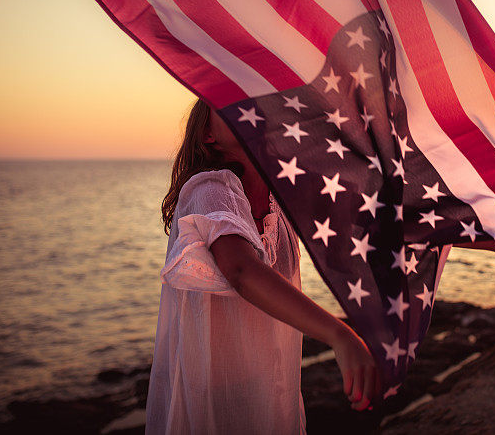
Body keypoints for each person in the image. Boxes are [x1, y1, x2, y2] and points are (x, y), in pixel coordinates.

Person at [146, 98, 380, 434]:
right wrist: (339, 334)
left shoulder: (279, 200)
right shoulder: (211, 188)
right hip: (215, 400)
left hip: (272, 389)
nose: (247, 105)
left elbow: (367, 220)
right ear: (207, 135)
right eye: (228, 102)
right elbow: (241, 271)